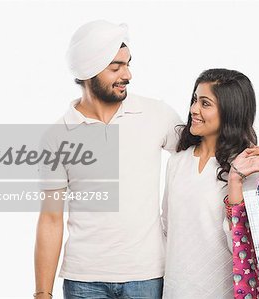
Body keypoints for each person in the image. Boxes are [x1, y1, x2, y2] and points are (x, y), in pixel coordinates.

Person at [34, 20, 182, 299]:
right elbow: (51, 219)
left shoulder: (157, 115)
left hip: (146, 276)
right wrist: (43, 293)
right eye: (116, 67)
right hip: (83, 280)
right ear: (89, 72)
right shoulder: (56, 137)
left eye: (128, 64)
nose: (128, 74)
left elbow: (202, 152)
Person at [161, 68, 259, 298]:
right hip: (175, 288)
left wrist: (236, 180)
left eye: (205, 103)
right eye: (194, 100)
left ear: (229, 112)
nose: (193, 110)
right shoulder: (178, 161)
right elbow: (167, 228)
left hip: (222, 291)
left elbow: (244, 245)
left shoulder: (249, 169)